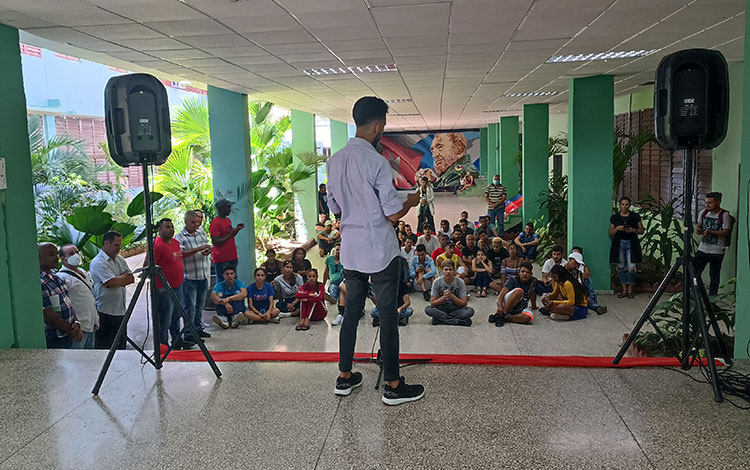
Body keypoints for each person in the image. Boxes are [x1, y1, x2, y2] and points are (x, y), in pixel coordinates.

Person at [326, 96, 424, 404]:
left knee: (351, 313)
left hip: (352, 248)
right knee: (387, 316)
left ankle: (344, 377)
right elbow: (392, 214)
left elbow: (335, 207)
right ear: (379, 126)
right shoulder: (376, 162)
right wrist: (410, 201)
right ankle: (393, 386)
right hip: (379, 249)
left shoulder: (335, 160)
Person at [150, 218, 193, 350]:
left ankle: (177, 340)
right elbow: (149, 266)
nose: (171, 229)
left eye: (172, 226)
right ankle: (163, 346)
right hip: (163, 288)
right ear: (160, 230)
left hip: (178, 285)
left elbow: (178, 257)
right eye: (167, 227)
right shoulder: (156, 245)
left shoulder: (175, 243)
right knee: (165, 319)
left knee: (176, 316)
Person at [90, 230, 134, 350]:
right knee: (106, 348)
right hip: (105, 312)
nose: (119, 248)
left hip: (120, 311)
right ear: (106, 244)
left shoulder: (119, 259)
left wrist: (117, 280)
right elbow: (111, 282)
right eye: (116, 245)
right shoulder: (98, 262)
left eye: (120, 245)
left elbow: (131, 278)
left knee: (121, 347)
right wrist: (120, 279)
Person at [175, 210, 213, 342]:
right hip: (189, 276)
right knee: (189, 307)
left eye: (197, 222)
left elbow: (207, 246)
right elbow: (180, 254)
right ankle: (188, 333)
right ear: (185, 222)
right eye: (193, 222)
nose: (196, 224)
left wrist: (208, 250)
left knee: (200, 305)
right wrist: (198, 249)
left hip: (202, 274)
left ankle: (198, 328)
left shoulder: (201, 232)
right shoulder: (180, 237)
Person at [39, 243, 82, 349]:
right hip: (56, 338)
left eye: (57, 254)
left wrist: (76, 323)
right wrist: (70, 330)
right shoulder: (40, 282)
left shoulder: (55, 276)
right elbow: (49, 316)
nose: (56, 258)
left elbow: (68, 301)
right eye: (51, 255)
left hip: (68, 334)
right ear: (39, 258)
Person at [58, 244, 98, 349]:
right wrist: (75, 325)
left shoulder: (83, 272)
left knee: (89, 358)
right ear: (63, 259)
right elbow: (66, 303)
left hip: (91, 323)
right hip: (79, 327)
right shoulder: (62, 277)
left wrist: (96, 317)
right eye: (71, 254)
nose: (76, 255)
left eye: (77, 252)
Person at [696, 192, 734, 295]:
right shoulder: (704, 212)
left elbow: (726, 231)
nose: (707, 205)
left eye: (710, 203)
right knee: (695, 272)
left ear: (718, 202)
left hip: (716, 251)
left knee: (714, 276)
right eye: (706, 202)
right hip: (702, 248)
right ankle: (695, 294)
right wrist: (699, 229)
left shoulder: (724, 215)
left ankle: (712, 298)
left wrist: (710, 232)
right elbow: (699, 224)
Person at [609, 196, 644, 299]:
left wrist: (633, 230)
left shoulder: (634, 216)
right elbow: (611, 232)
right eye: (622, 204)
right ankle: (624, 289)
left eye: (626, 204)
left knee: (632, 267)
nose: (624, 207)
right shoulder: (615, 217)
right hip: (619, 243)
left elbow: (641, 230)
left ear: (629, 205)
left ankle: (630, 290)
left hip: (631, 243)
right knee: (621, 267)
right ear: (620, 205)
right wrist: (618, 228)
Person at [490, 262, 542, 326]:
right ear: (519, 273)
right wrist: (500, 305)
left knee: (529, 317)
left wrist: (534, 306)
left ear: (531, 274)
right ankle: (504, 313)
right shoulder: (513, 280)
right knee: (520, 291)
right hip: (507, 302)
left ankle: (505, 318)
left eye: (527, 272)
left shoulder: (533, 281)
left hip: (520, 306)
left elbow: (533, 293)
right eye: (522, 271)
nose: (525, 274)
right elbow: (502, 293)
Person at [425, 260, 474, 326]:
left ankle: (440, 319)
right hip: (442, 308)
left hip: (456, 309)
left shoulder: (460, 282)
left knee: (470, 311)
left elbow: (464, 303)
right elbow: (433, 303)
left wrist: (452, 296)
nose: (448, 272)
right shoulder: (437, 282)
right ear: (442, 270)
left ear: (454, 271)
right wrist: (444, 297)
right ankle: (458, 321)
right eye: (446, 269)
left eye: (450, 270)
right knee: (428, 309)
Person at [210, 199, 245, 278]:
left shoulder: (227, 220)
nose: (230, 209)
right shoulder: (216, 223)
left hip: (232, 256)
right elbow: (216, 242)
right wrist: (231, 234)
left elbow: (230, 236)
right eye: (228, 207)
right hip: (222, 259)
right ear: (221, 208)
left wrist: (236, 230)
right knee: (223, 283)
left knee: (234, 282)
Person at [372, 259, 413, 327]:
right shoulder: (381, 283)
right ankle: (397, 319)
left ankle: (383, 319)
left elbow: (407, 302)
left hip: (398, 308)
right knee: (373, 312)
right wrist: (372, 298)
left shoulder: (402, 283)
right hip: (385, 308)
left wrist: (400, 308)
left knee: (409, 311)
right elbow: (377, 303)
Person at [567, 248, 607, 315]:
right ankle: (595, 306)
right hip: (573, 290)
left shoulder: (583, 266)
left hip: (582, 288)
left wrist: (581, 277)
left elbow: (586, 275)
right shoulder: (567, 267)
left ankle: (593, 301)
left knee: (587, 280)